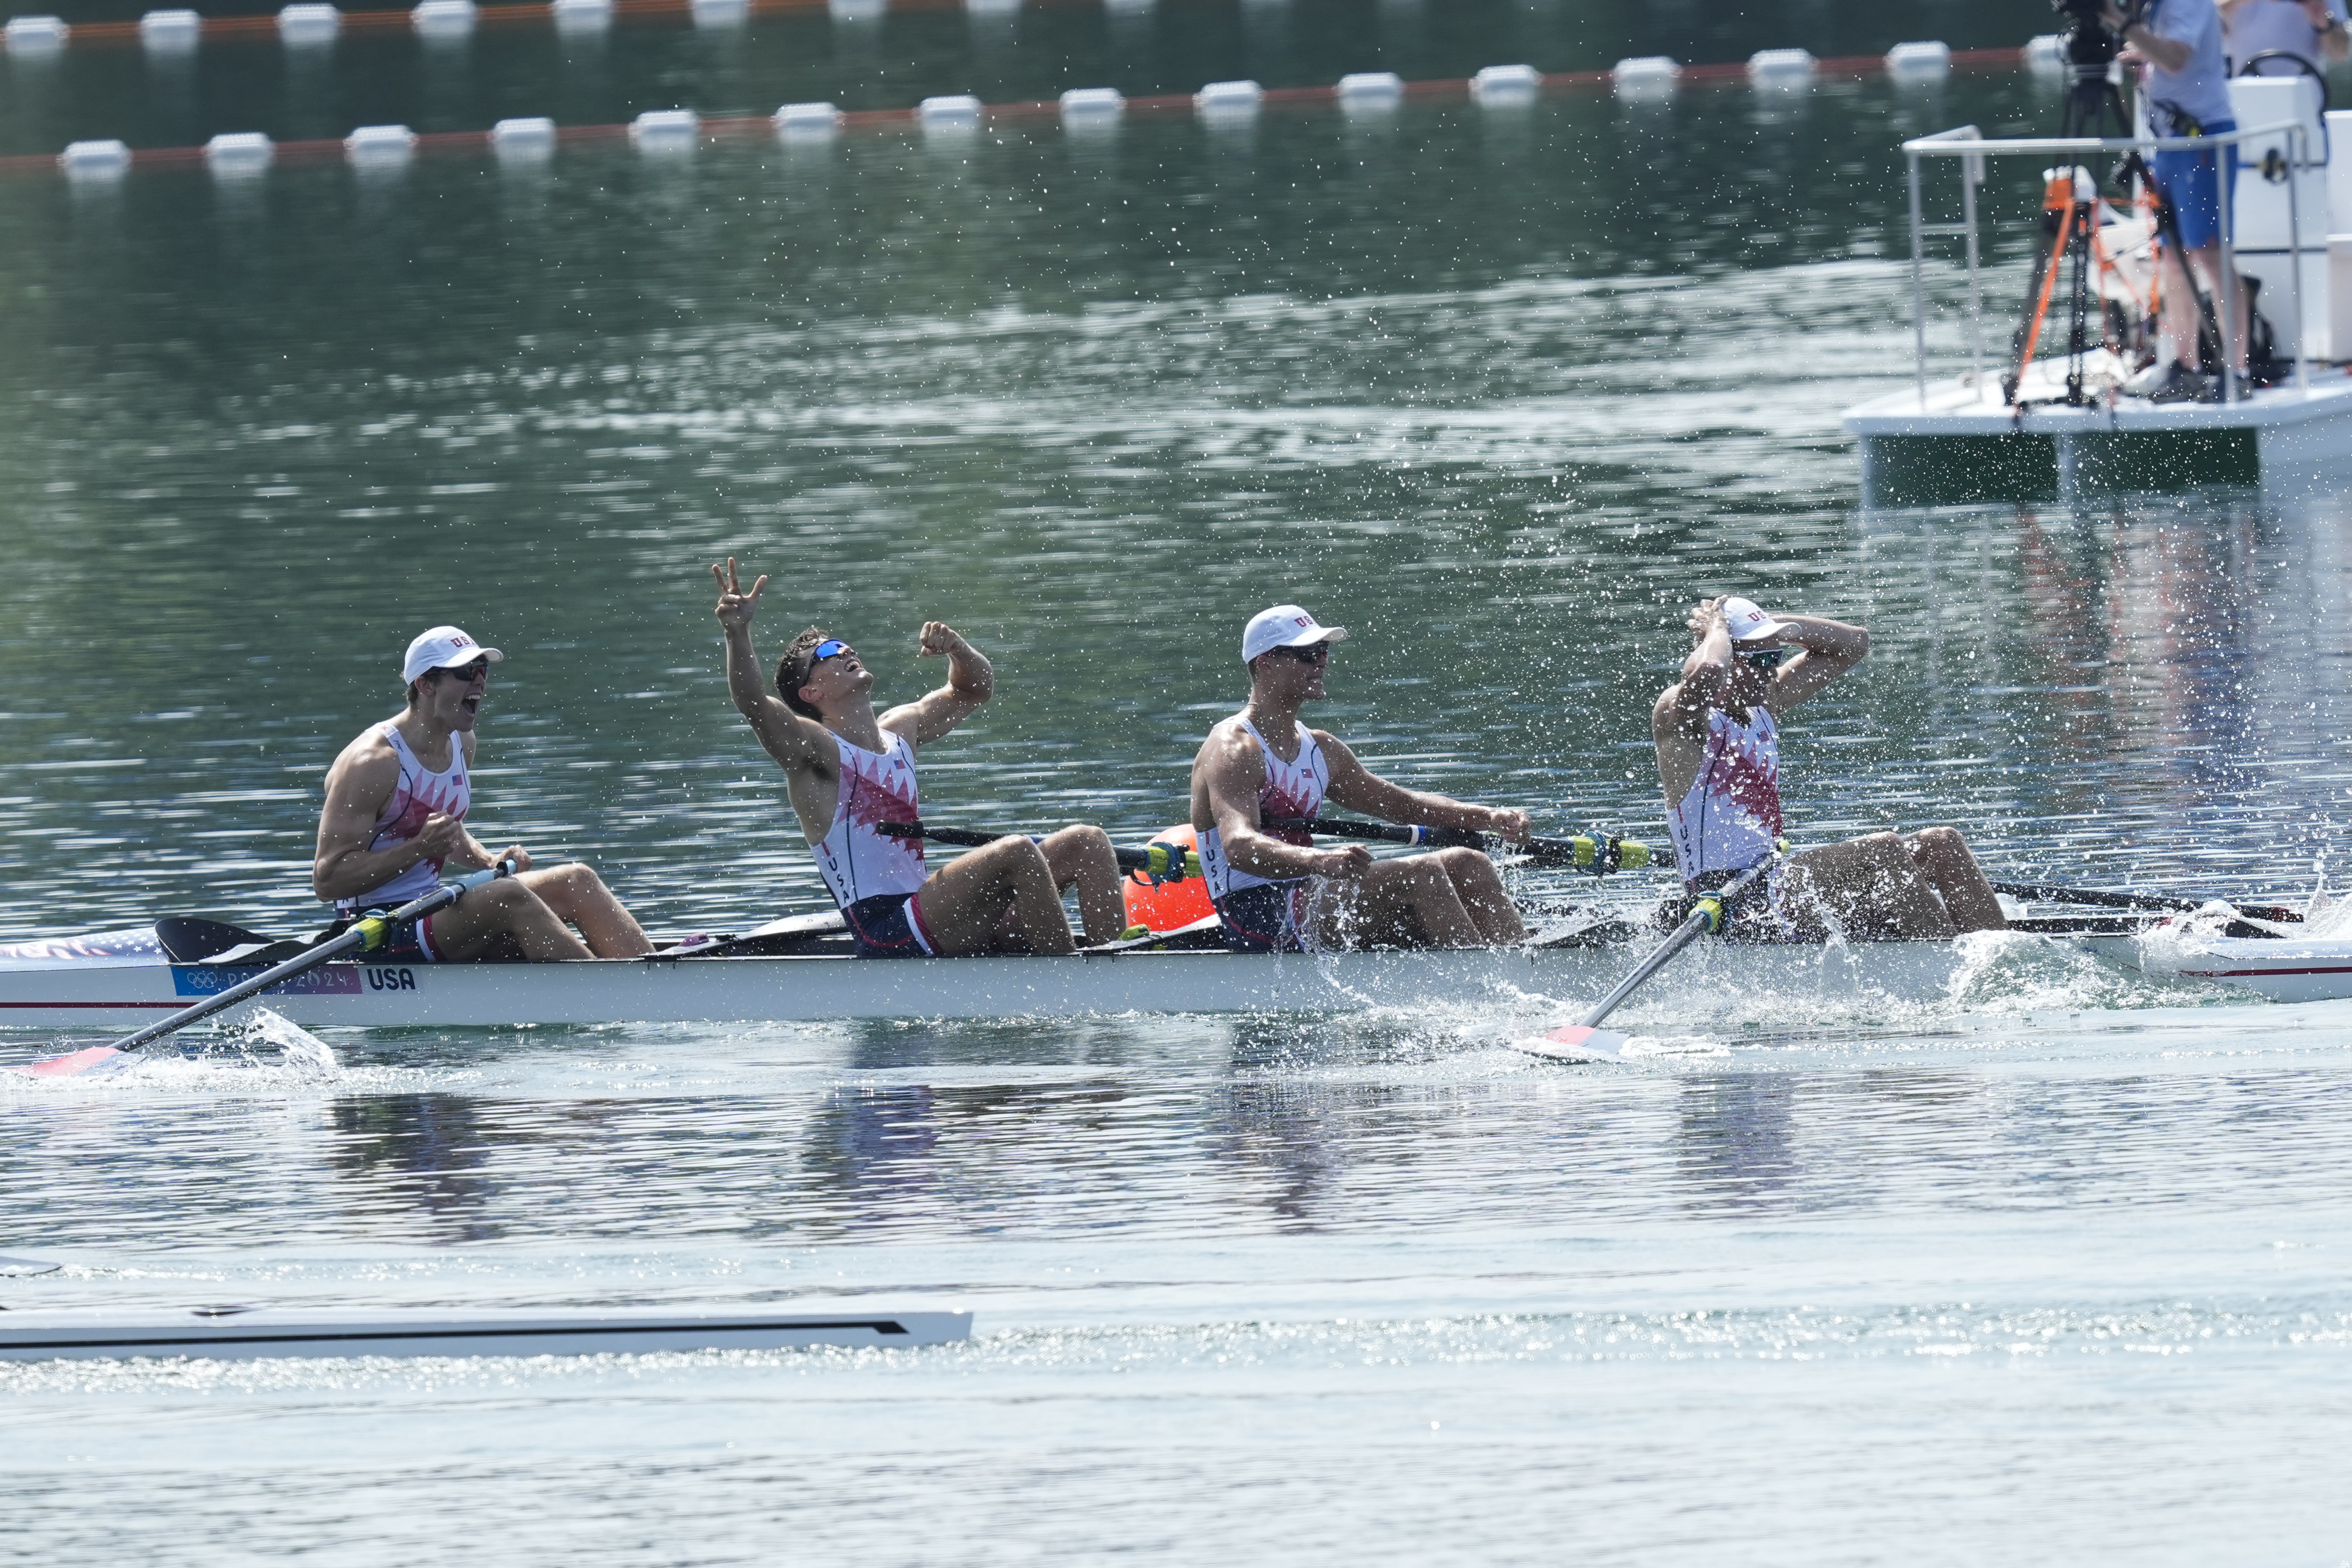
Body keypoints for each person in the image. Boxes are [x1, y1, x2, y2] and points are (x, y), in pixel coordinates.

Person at [711, 559, 1123, 956]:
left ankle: (1117, 963)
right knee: (1016, 850)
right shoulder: (816, 752)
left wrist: (958, 649)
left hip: (930, 914)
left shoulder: (902, 729)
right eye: (827, 653)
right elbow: (753, 703)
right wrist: (737, 632)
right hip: (885, 931)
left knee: (1087, 842)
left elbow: (975, 689)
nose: (844, 650)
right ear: (811, 693)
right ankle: (1075, 983)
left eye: (842, 644)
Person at [1652, 596, 2007, 941]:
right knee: (1882, 848)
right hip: (1730, 900)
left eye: (1775, 657)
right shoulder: (1681, 716)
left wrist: (1769, 627)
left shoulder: (1764, 703)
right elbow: (1709, 670)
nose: (1770, 671)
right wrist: (1717, 627)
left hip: (1776, 881)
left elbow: (1854, 644)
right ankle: (1945, 967)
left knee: (1943, 843)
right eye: (1760, 660)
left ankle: (1995, 961)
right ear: (1727, 654)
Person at [1188, 603, 1532, 953]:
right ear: (1265, 663)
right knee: (1422, 872)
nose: (1321, 661)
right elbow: (1239, 846)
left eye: (1323, 651)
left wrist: (1487, 817)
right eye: (1307, 653)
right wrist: (1319, 860)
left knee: (1469, 863)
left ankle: (1522, 976)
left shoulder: (1321, 748)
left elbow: (1403, 805)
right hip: (1255, 912)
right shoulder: (1234, 748)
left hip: (1310, 890)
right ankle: (1482, 991)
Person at [314, 626, 653, 961]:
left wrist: (487, 860)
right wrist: (418, 849)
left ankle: (656, 979)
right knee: (507, 894)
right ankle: (608, 993)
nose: (480, 681)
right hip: (377, 929)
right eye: (466, 672)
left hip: (431, 909)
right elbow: (328, 880)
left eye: (483, 670)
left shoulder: (461, 742)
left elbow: (444, 829)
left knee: (578, 880)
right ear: (425, 684)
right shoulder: (372, 763)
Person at [2110, 0, 2253, 401]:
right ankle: (2184, 366)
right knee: (2173, 258)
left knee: (2209, 253)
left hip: (2204, 137)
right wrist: (2140, 51)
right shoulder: (2158, 7)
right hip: (2171, 141)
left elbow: (2175, 58)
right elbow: (2168, 60)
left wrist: (2121, 22)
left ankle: (2237, 370)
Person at [2221, 0, 2349, 74]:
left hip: (2303, 102)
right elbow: (2208, 30)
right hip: (2242, 99)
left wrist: (2324, 23)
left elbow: (2339, 54)